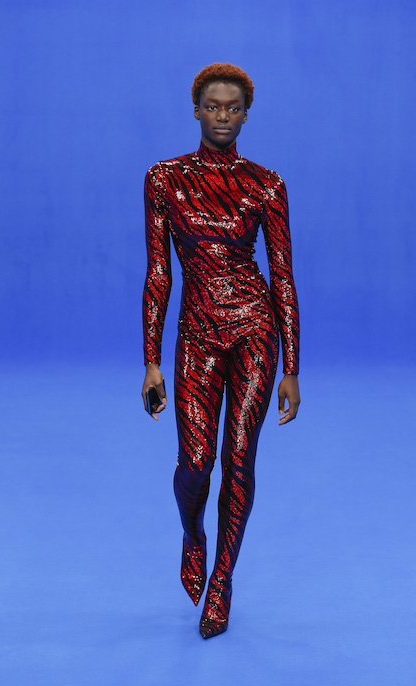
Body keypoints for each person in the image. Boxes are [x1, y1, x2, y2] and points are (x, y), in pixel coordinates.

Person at [141, 62, 300, 639]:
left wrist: (292, 367)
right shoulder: (165, 179)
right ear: (196, 110)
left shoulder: (266, 184)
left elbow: (283, 276)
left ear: (247, 115)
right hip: (198, 333)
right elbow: (159, 272)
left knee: (239, 459)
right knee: (195, 463)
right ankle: (194, 536)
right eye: (213, 106)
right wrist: (151, 360)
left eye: (234, 108)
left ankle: (223, 581)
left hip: (256, 330)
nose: (223, 116)